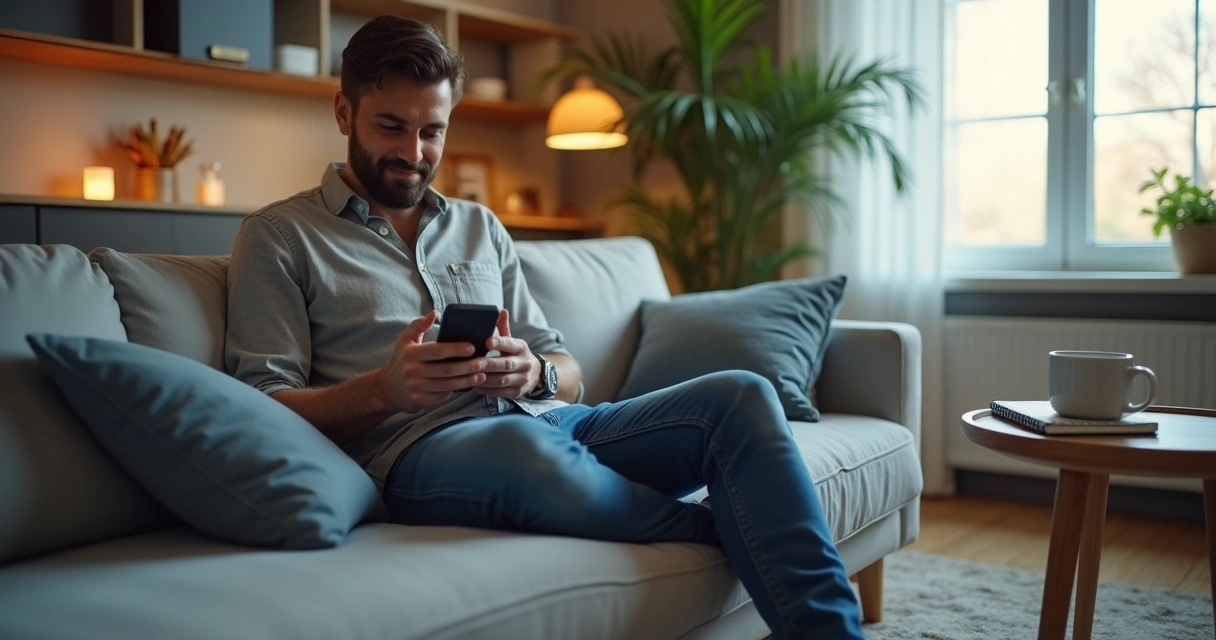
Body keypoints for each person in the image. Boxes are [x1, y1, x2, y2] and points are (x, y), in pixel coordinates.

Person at [225, 15, 863, 640]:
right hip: (417, 454)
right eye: (392, 126)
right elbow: (259, 407)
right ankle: (733, 527)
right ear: (344, 113)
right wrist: (381, 391)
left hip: (545, 423)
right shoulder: (280, 235)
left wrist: (535, 371)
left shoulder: (480, 227)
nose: (413, 154)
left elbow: (565, 366)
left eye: (432, 131)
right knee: (523, 452)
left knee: (742, 394)